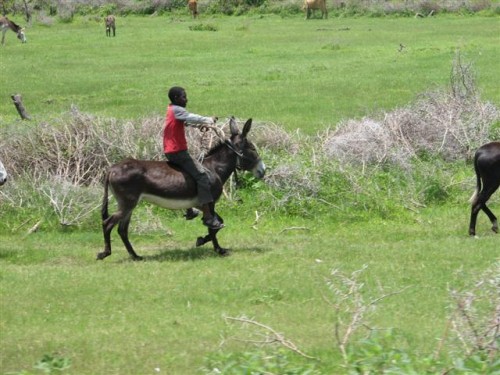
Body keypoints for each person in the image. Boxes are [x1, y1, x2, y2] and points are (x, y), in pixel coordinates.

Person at [163, 86, 224, 230]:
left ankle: (189, 209)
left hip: (171, 150)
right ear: (177, 98)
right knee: (202, 176)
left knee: (189, 173)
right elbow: (191, 116)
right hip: (177, 152)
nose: (186, 99)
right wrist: (208, 120)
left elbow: (186, 121)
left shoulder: (171, 109)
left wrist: (199, 125)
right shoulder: (178, 110)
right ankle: (208, 216)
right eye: (184, 96)